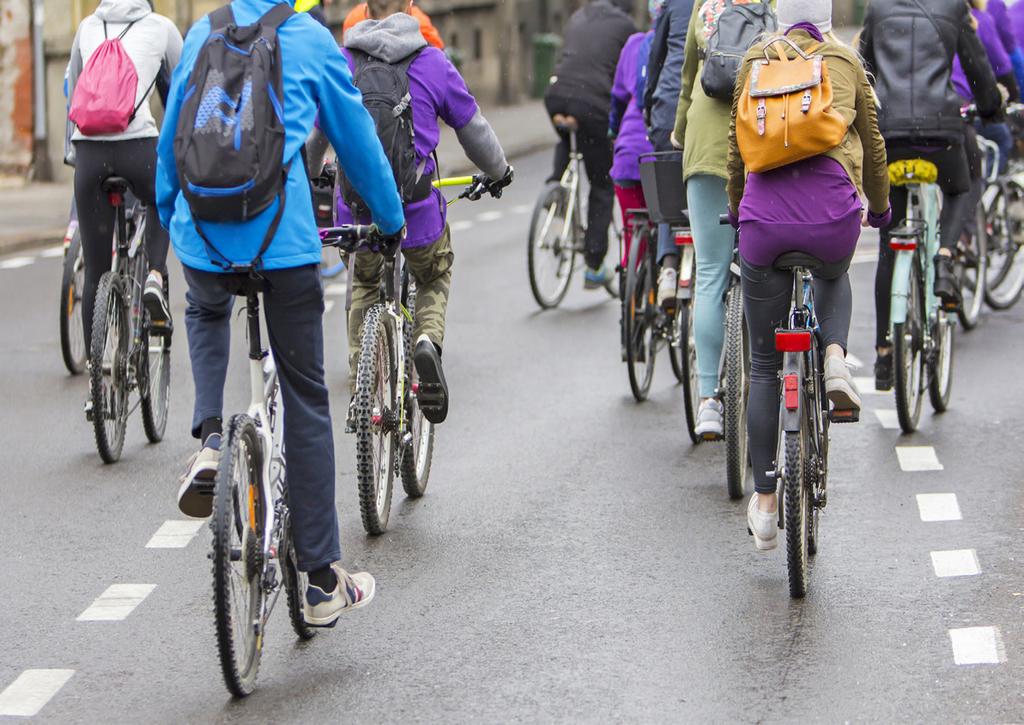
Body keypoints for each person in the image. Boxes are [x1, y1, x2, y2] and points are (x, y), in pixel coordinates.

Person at [157, 0, 406, 626]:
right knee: (305, 395)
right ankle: (322, 581)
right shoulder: (309, 39)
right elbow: (355, 138)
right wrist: (391, 217)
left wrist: (174, 220)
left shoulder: (199, 35)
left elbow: (171, 143)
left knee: (205, 308)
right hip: (283, 243)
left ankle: (212, 438)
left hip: (203, 234)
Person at [727, 0, 891, 551]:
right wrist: (882, 207)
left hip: (763, 225)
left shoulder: (755, 59)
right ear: (826, 16)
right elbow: (871, 143)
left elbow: (737, 151)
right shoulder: (845, 62)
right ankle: (836, 359)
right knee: (834, 273)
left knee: (766, 365)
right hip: (830, 218)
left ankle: (768, 502)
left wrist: (738, 213)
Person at [339, 0, 512, 426]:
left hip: (358, 212)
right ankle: (427, 344)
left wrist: (308, 179)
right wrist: (499, 171)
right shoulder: (432, 61)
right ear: (411, 6)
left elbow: (314, 133)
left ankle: (366, 382)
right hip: (416, 211)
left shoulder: (342, 60)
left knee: (363, 280)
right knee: (434, 272)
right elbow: (473, 130)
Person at [860, 0, 1002, 391]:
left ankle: (884, 354)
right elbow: (977, 69)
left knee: (890, 240)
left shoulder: (877, 9)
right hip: (941, 132)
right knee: (963, 186)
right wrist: (992, 108)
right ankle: (944, 258)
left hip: (890, 134)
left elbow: (863, 70)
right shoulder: (953, 7)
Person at [672, 0, 768, 439]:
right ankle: (765, 383)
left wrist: (678, 132)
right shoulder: (773, 9)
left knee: (709, 273)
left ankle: (709, 398)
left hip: (707, 147)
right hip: (762, 146)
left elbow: (689, 79)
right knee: (762, 272)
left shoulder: (705, 7)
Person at [65, 0, 182, 355]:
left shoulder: (86, 27)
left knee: (98, 270)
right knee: (162, 197)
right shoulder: (161, 28)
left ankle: (95, 385)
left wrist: (71, 153)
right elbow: (182, 89)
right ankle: (155, 277)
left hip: (89, 154)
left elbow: (73, 91)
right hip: (139, 149)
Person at [545, 0, 636, 289]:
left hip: (557, 93)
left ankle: (555, 188)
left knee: (569, 135)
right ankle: (594, 265)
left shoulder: (579, 14)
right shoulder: (627, 29)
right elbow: (626, 78)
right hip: (593, 102)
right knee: (602, 182)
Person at [643, 0, 695, 304]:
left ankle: (669, 267)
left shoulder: (674, 5)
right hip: (713, 119)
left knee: (669, 194)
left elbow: (656, 56)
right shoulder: (732, 5)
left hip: (668, 114)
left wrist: (649, 105)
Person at [609, 4, 660, 299]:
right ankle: (657, 290)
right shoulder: (678, 46)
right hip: (659, 155)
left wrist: (613, 131)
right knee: (663, 226)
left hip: (627, 152)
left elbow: (617, 96)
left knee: (632, 233)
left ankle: (630, 300)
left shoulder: (633, 45)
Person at [343, 0, 444, 49]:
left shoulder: (354, 17)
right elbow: (437, 46)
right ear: (408, 10)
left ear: (367, 12)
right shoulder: (419, 19)